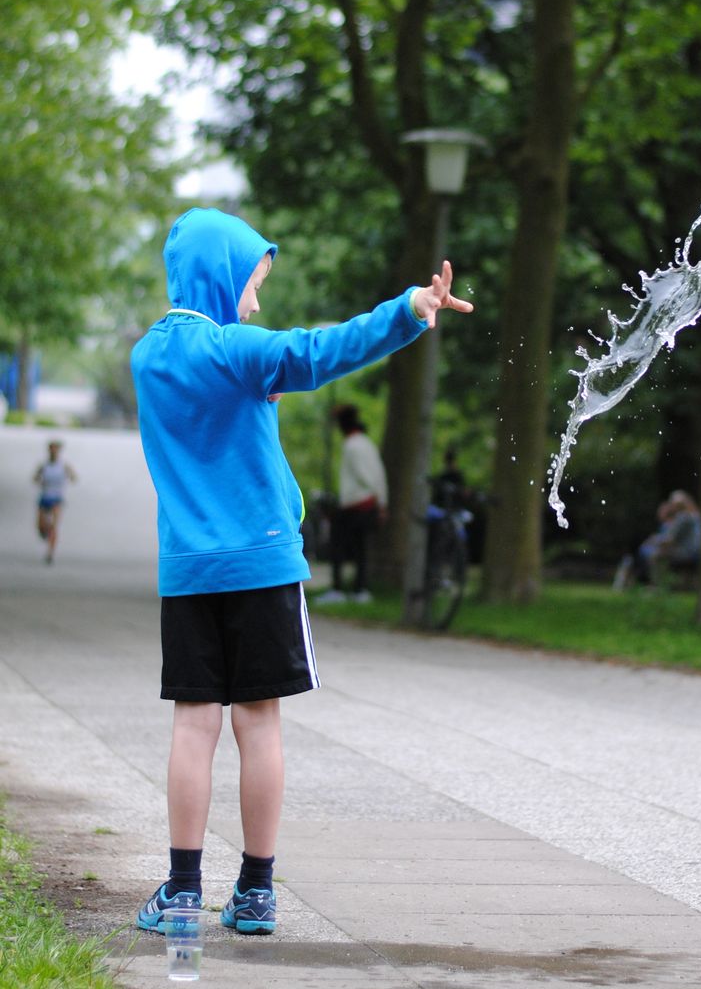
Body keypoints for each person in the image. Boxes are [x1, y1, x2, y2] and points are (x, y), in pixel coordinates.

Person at [130, 207, 473, 932]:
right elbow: (320, 352)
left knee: (194, 725)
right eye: (252, 282)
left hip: (189, 570)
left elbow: (211, 415)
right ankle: (255, 892)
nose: (255, 301)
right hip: (262, 563)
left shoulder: (149, 359)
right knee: (261, 724)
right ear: (222, 275)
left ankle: (183, 892)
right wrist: (408, 311)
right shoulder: (238, 351)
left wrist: (259, 394)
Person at [319, 404, 387, 604]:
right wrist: (381, 501)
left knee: (338, 548)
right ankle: (360, 589)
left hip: (354, 504)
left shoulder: (351, 445)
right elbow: (379, 474)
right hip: (368, 504)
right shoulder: (367, 443)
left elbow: (364, 475)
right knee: (361, 549)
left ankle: (338, 589)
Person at [612, 490, 701, 590]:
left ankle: (656, 586)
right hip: (693, 552)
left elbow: (670, 540)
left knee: (653, 556)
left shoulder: (684, 518)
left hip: (688, 553)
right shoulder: (692, 516)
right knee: (645, 555)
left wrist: (654, 540)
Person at [33, 440, 77, 564]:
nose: (53, 451)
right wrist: (40, 481)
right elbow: (35, 478)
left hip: (57, 498)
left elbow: (74, 478)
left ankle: (50, 553)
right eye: (51, 449)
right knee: (40, 527)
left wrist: (68, 477)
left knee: (54, 526)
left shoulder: (63, 465)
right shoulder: (43, 465)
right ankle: (45, 532)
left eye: (55, 449)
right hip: (44, 497)